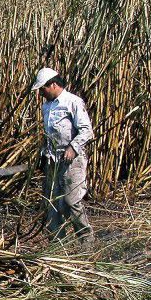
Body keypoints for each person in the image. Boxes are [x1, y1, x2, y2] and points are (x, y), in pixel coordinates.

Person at [30, 68, 95, 244]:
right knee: (51, 205)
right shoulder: (46, 106)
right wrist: (42, 154)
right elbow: (49, 134)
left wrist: (73, 148)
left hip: (72, 161)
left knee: (71, 201)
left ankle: (87, 243)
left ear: (53, 84)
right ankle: (57, 247)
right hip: (53, 160)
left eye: (43, 89)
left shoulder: (73, 102)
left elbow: (86, 131)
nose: (41, 93)